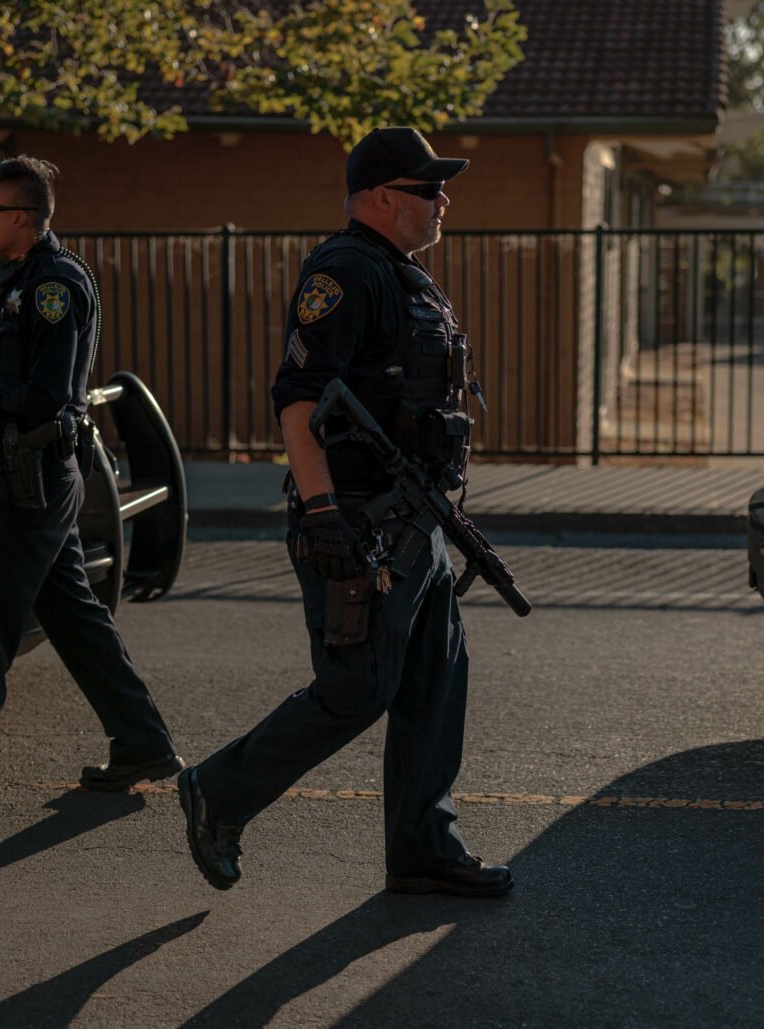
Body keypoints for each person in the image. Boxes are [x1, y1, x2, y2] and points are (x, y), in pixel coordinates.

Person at [178, 127, 512, 897]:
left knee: (435, 679)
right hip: (359, 519)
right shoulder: (345, 271)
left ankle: (424, 847)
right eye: (429, 189)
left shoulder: (405, 277)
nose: (443, 200)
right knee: (357, 686)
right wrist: (324, 512)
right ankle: (219, 791)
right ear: (381, 197)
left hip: (412, 521)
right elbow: (298, 400)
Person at [0, 156, 182, 824]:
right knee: (76, 618)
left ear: (20, 217)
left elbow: (51, 391)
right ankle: (141, 742)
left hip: (33, 481)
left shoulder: (54, 287)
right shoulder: (26, 283)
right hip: (44, 479)